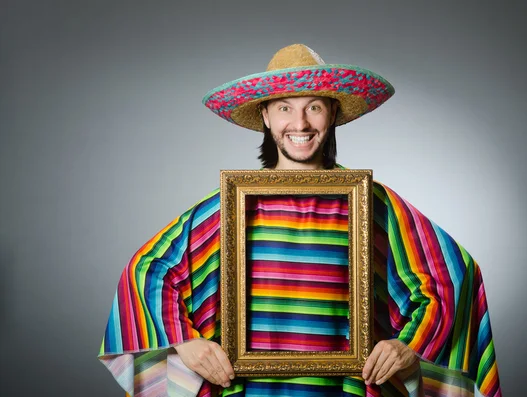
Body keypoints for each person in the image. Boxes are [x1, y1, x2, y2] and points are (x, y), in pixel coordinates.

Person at [99, 44, 502, 397]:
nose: (301, 123)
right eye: (285, 108)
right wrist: (186, 342)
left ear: (332, 114)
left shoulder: (371, 204)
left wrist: (408, 346)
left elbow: (452, 275)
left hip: (343, 389)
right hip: (244, 389)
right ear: (266, 118)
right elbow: (147, 271)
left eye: (314, 106)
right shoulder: (229, 208)